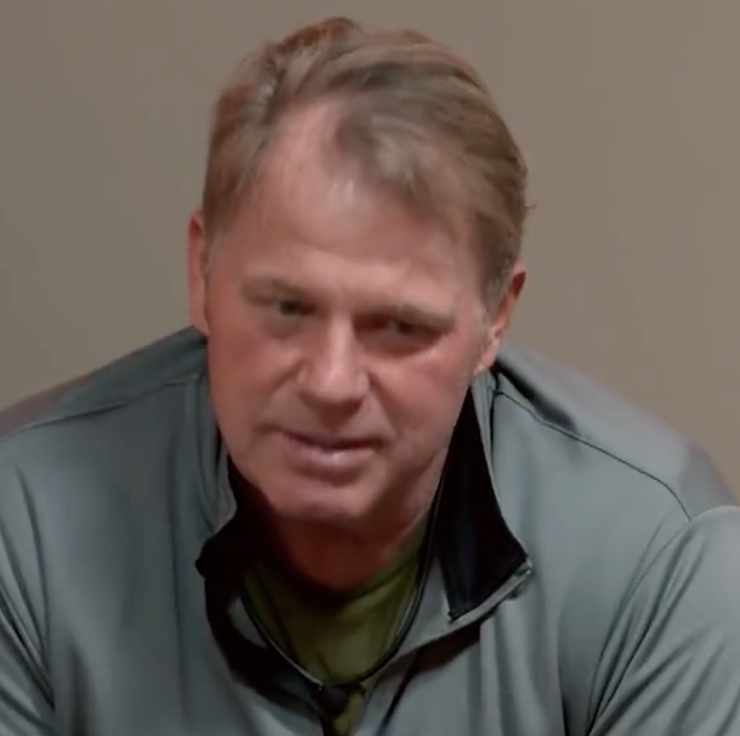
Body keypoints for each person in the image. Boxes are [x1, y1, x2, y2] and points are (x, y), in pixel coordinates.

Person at [1, 15, 739, 736]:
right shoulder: (24, 521)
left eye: (400, 327)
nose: (330, 384)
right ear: (202, 272)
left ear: (495, 319)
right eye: (287, 308)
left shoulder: (656, 556)